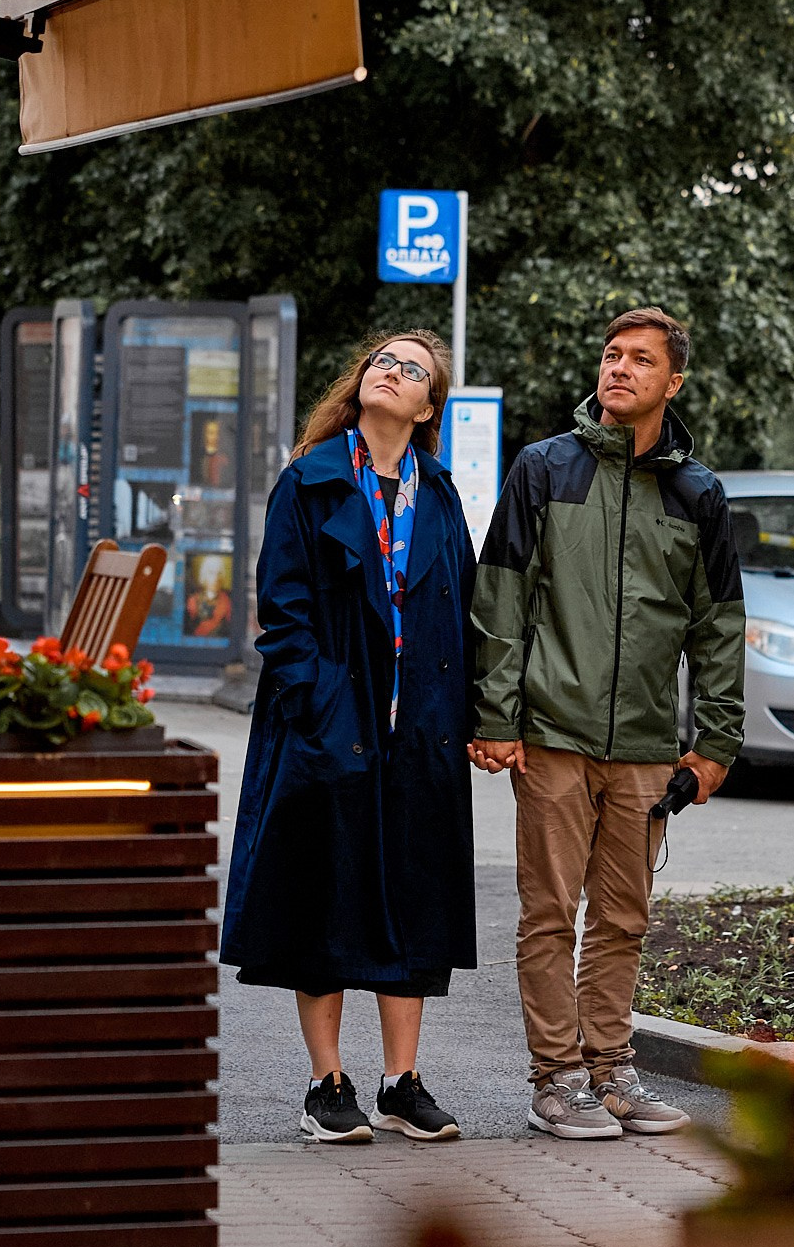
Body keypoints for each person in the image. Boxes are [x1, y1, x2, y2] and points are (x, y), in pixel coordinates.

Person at [469, 306, 746, 1139]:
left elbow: (718, 626)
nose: (619, 368)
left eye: (640, 359)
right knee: (550, 914)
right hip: (552, 732)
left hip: (646, 745)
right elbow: (501, 597)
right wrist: (497, 714)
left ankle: (611, 1072)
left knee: (624, 917)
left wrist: (716, 743)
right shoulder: (544, 469)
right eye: (611, 355)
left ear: (674, 382)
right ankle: (556, 1079)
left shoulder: (697, 493)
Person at [221, 330, 477, 1145]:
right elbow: (282, 610)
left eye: (412, 370)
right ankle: (325, 1084)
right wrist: (319, 704)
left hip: (419, 729)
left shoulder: (438, 493)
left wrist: (466, 716)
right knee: (325, 896)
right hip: (332, 723)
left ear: (428, 406)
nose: (392, 372)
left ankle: (401, 1084)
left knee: (413, 899)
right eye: (383, 362)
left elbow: (462, 608)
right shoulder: (311, 479)